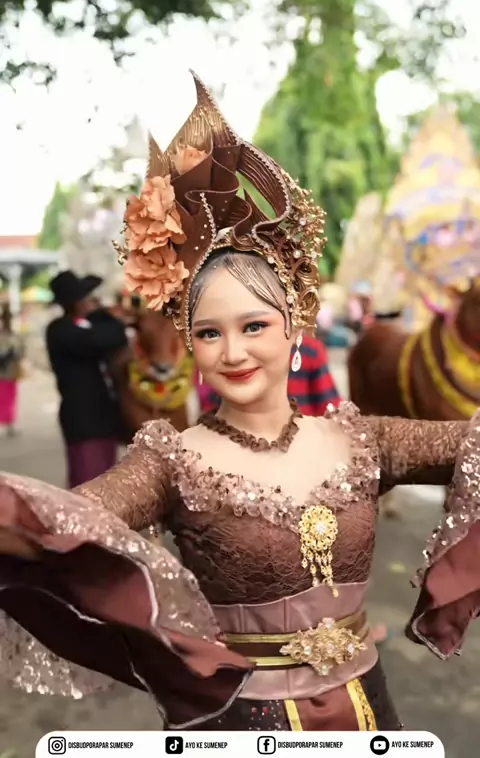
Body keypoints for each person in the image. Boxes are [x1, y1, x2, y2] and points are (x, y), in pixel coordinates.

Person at [0, 72, 478, 733]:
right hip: (234, 722)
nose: (233, 352)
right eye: (208, 333)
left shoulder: (365, 440)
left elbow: (470, 442)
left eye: (253, 326)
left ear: (294, 327)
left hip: (369, 715)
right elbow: (62, 521)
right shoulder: (170, 460)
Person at [45, 270, 128, 487]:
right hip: (84, 422)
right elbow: (108, 337)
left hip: (103, 418)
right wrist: (103, 315)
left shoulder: (82, 326)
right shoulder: (60, 330)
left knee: (108, 485)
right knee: (88, 487)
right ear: (76, 302)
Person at [197, 334, 340, 417]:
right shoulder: (209, 360)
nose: (233, 356)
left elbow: (330, 408)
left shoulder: (309, 351)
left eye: (254, 327)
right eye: (211, 334)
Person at [0, 305, 24, 437]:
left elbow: (21, 351)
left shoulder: (14, 336)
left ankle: (9, 423)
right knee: (3, 398)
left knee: (10, 398)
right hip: (2, 371)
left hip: (11, 371)